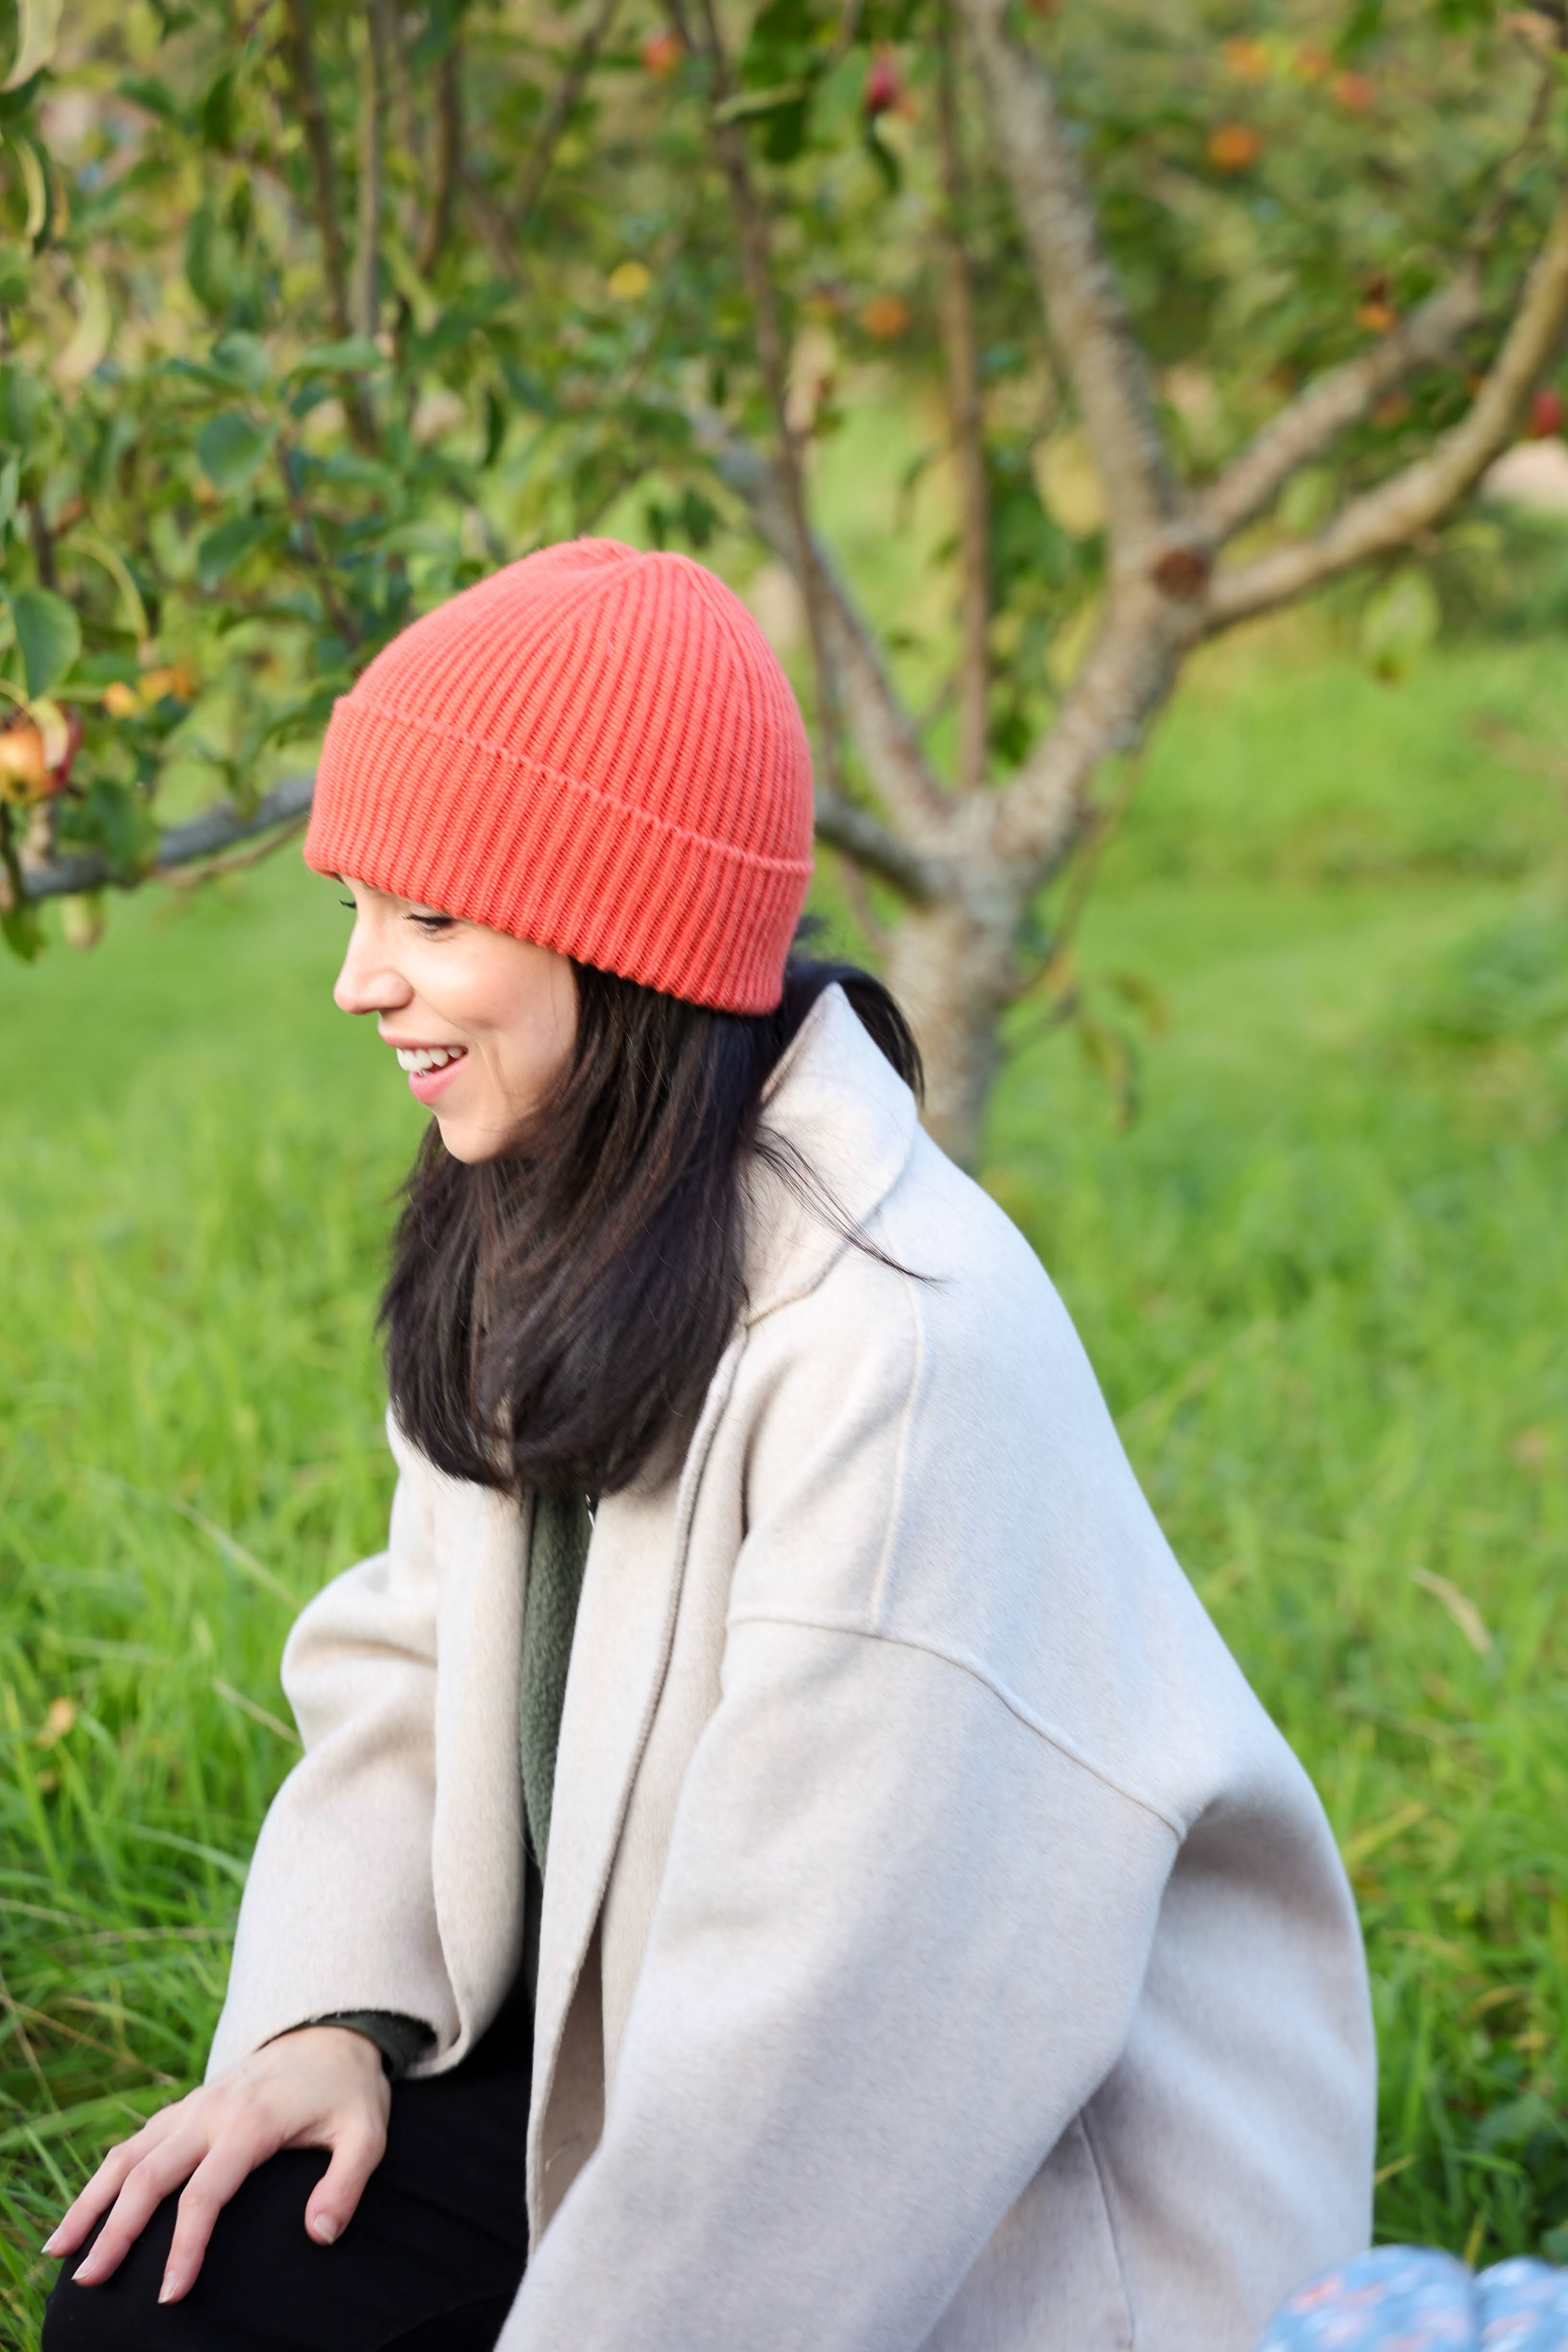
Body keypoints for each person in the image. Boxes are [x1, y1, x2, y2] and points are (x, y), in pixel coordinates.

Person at [42, 538, 1376, 2352]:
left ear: (623, 937)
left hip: (995, 2216)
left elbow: (824, 2054)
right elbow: (418, 1649)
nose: (360, 980)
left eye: (430, 918)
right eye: (356, 905)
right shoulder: (545, 1189)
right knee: (174, 2292)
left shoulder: (896, 1347)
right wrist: (323, 2017)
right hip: (628, 2043)